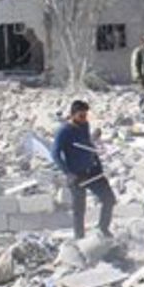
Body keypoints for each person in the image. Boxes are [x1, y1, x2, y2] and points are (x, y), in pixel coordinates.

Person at [52, 100, 116, 240]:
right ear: (72, 115)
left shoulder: (85, 125)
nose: (84, 118)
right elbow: (55, 154)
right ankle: (79, 238)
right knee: (79, 209)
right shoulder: (64, 131)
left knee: (109, 199)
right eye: (81, 116)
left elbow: (88, 145)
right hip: (76, 175)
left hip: (92, 171)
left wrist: (98, 164)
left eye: (85, 115)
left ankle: (103, 228)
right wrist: (68, 173)